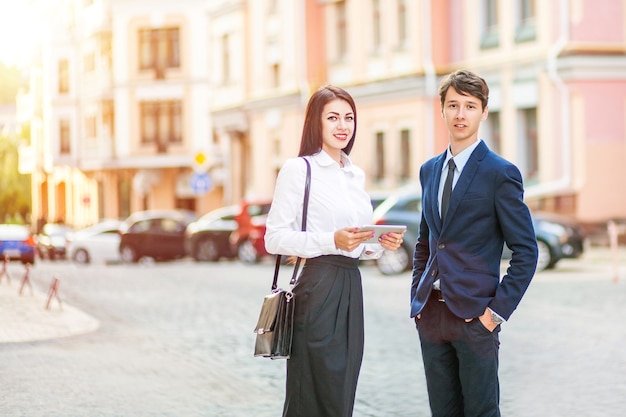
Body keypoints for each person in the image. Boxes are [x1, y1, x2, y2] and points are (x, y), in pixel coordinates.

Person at [265, 85, 405, 417]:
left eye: (349, 118)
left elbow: (356, 239)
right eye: (333, 118)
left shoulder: (355, 174)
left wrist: (377, 245)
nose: (342, 126)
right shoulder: (300, 170)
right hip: (317, 287)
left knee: (341, 391)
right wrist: (331, 241)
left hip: (350, 288)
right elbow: (274, 238)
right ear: (317, 122)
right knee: (313, 393)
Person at [410, 70, 538, 417]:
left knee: (481, 411)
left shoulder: (500, 173)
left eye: (470, 106)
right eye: (453, 105)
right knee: (443, 412)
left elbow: (527, 251)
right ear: (442, 111)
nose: (460, 114)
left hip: (475, 318)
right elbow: (426, 241)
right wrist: (417, 300)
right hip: (431, 314)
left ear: (483, 112)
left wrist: (494, 314)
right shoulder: (429, 171)